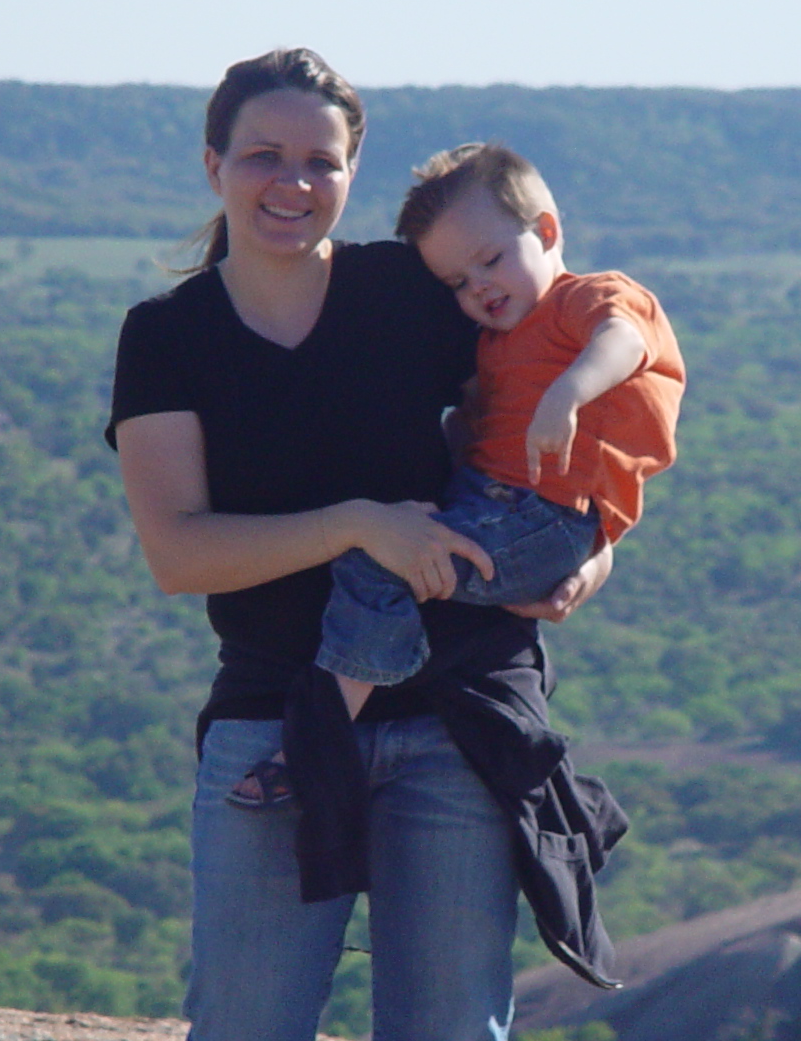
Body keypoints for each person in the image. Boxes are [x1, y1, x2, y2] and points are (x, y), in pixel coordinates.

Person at [103, 49, 618, 1041]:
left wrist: (597, 545)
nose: (291, 182)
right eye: (263, 156)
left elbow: (570, 396)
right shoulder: (172, 336)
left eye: (319, 159)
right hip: (279, 717)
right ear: (214, 166)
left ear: (352, 171)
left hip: (459, 719)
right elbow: (178, 552)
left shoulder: (413, 294)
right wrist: (361, 525)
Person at [228, 142, 683, 811]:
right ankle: (381, 671)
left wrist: (568, 394)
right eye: (459, 284)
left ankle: (315, 743)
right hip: (502, 505)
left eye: (492, 260)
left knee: (380, 563)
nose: (481, 288)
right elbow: (477, 425)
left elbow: (625, 342)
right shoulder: (500, 340)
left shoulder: (587, 298)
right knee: (388, 536)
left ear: (547, 232)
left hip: (544, 514)